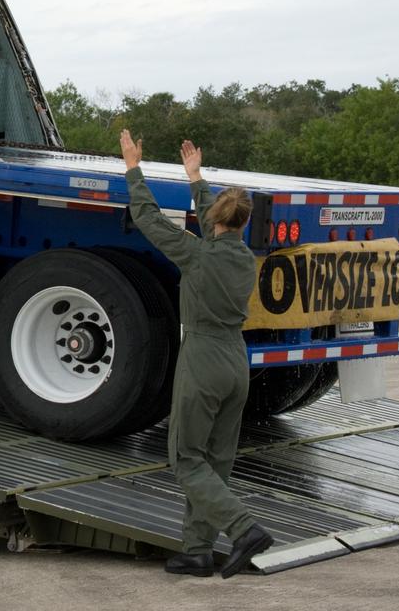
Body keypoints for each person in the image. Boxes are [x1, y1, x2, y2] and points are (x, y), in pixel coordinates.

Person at [119, 130, 274, 579]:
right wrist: (196, 179)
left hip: (203, 356)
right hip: (236, 360)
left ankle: (243, 529)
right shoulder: (244, 257)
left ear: (215, 221)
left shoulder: (197, 256)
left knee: (185, 457)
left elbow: (147, 218)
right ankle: (198, 550)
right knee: (216, 460)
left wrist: (134, 168)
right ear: (241, 223)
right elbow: (216, 225)